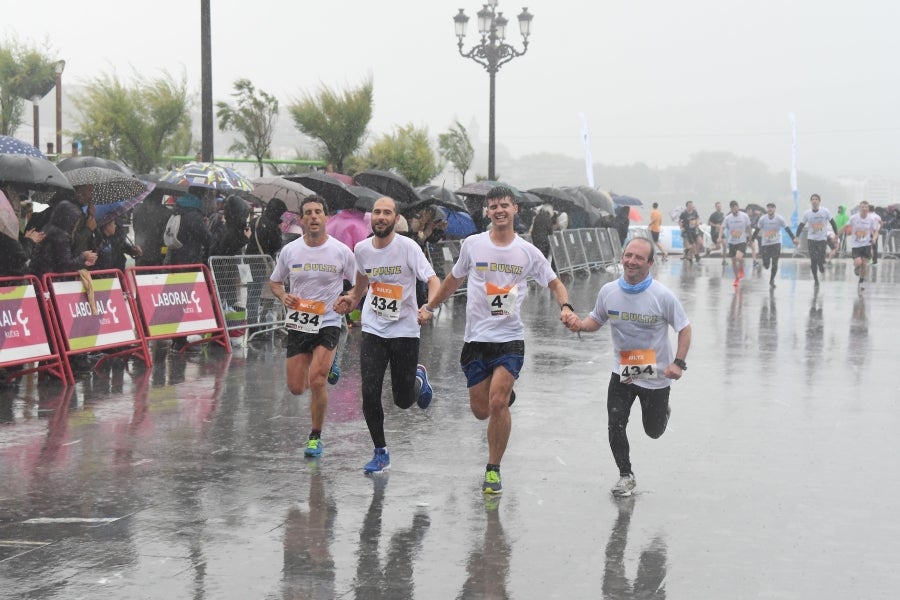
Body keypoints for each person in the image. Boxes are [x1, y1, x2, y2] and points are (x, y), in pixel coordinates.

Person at [418, 186, 574, 495]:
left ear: (515, 209)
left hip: (510, 339)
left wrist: (566, 307)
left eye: (504, 205)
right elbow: (452, 280)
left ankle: (493, 469)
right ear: (487, 212)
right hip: (476, 339)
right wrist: (430, 306)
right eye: (493, 206)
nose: (499, 210)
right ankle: (495, 399)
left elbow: (555, 282)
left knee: (498, 401)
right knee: (481, 410)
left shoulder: (528, 251)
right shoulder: (473, 245)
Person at [562, 237, 691, 497]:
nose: (631, 261)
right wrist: (578, 324)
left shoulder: (662, 296)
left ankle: (662, 411)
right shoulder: (609, 291)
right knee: (615, 422)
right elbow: (595, 320)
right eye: (628, 255)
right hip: (625, 369)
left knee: (653, 431)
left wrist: (678, 363)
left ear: (650, 263)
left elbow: (684, 328)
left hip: (655, 374)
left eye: (639, 258)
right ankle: (625, 475)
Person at [334, 196, 440, 474]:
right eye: (377, 212)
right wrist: (350, 299)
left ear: (395, 218)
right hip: (374, 329)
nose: (381, 216)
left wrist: (429, 306)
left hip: (405, 329)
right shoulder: (362, 249)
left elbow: (432, 279)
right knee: (369, 392)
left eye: (387, 212)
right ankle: (380, 451)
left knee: (403, 400)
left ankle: (418, 378)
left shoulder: (408, 247)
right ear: (371, 217)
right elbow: (361, 285)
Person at [268, 195, 363, 459]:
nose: (313, 216)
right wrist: (283, 295)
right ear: (301, 219)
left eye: (318, 212)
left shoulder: (341, 251)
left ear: (326, 217)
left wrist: (350, 298)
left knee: (317, 380)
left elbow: (361, 281)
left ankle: (315, 437)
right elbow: (275, 282)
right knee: (297, 387)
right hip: (300, 322)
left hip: (328, 320)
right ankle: (329, 364)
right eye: (308, 212)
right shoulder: (290, 251)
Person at [793, 193, 838, 287]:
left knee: (821, 258)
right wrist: (796, 236)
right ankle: (816, 279)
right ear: (811, 201)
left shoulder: (825, 211)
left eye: (816, 199)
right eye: (812, 199)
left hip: (822, 239)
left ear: (819, 201)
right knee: (813, 260)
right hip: (811, 239)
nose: (814, 201)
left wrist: (836, 235)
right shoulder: (807, 213)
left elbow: (833, 222)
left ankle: (821, 264)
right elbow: (801, 225)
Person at [751, 203, 794, 288]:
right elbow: (757, 229)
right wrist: (752, 239)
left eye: (771, 208)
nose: (770, 209)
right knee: (766, 265)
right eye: (768, 208)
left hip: (776, 243)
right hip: (766, 243)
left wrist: (793, 238)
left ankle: (772, 280)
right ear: (767, 209)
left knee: (775, 263)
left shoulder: (779, 218)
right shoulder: (763, 219)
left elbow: (787, 228)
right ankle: (766, 263)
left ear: (775, 209)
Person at [847, 200, 880, 291]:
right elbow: (847, 227)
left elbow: (876, 230)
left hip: (866, 244)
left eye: (866, 207)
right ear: (859, 208)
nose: (864, 208)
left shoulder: (872, 219)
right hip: (856, 244)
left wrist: (874, 238)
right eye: (862, 207)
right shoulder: (854, 218)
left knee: (864, 264)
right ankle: (856, 267)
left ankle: (861, 282)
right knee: (858, 262)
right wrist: (847, 232)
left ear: (868, 208)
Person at [722, 200, 752, 287]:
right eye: (733, 208)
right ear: (731, 209)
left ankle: (741, 268)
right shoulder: (728, 218)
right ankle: (736, 279)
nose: (735, 210)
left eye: (736, 208)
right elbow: (722, 227)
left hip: (742, 241)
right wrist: (720, 236)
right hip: (732, 242)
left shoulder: (744, 216)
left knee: (739, 257)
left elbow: (749, 227)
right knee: (734, 262)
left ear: (738, 207)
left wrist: (750, 238)